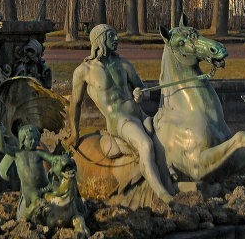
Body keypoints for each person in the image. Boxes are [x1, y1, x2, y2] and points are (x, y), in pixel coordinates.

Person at [70, 23, 173, 203]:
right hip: (120, 122)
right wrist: (74, 132)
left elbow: (144, 89)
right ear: (100, 40)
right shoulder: (83, 71)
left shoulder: (124, 64)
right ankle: (163, 195)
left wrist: (142, 95)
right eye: (111, 36)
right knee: (146, 145)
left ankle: (172, 181)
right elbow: (75, 104)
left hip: (140, 114)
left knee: (167, 137)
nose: (116, 39)